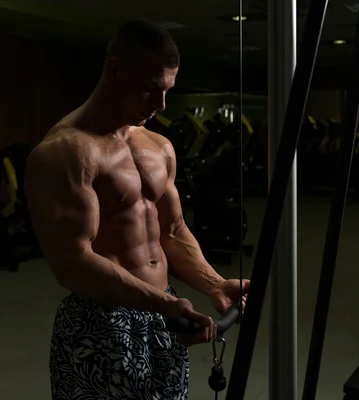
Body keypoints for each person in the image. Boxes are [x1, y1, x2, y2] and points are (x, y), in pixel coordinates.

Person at [24, 19, 250, 400]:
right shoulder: (67, 152)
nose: (160, 105)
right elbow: (72, 263)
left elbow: (172, 231)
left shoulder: (159, 147)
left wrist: (213, 284)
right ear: (114, 69)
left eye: (167, 91)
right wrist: (166, 304)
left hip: (164, 312)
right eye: (150, 89)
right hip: (102, 322)